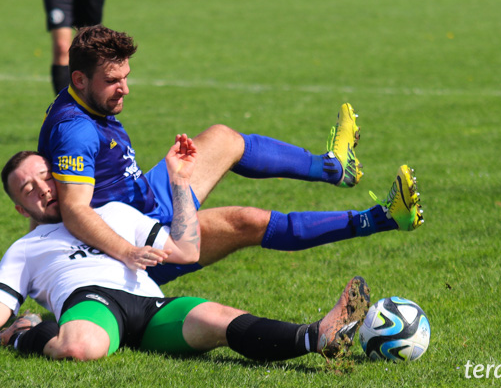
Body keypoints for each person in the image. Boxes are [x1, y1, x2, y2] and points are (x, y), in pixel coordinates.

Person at [0, 148, 372, 363]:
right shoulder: (26, 248)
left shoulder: (114, 212)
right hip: (93, 302)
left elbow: (185, 248)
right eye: (27, 189)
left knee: (220, 319)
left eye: (45, 177)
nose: (40, 189)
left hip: (150, 305)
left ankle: (317, 338)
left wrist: (181, 185)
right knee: (80, 349)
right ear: (19, 206)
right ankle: (26, 336)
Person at [37, 25, 424, 285]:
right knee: (248, 221)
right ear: (79, 80)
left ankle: (334, 168)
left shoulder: (88, 103)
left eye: (126, 77)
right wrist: (127, 251)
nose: (124, 89)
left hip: (143, 197)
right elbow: (75, 210)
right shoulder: (75, 131)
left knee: (223, 138)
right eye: (112, 82)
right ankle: (384, 218)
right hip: (136, 238)